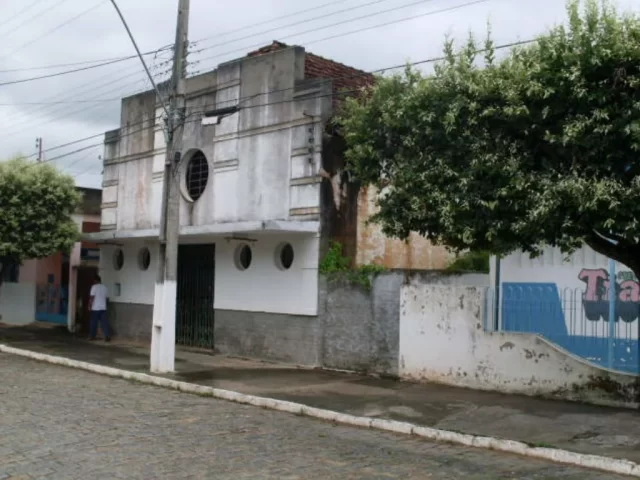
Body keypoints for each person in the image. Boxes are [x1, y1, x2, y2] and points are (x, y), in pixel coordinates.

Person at [89, 274, 110, 342]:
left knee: (94, 323)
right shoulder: (105, 287)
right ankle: (107, 336)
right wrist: (105, 305)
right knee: (105, 323)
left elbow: (92, 297)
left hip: (95, 308)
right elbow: (107, 299)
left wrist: (89, 305)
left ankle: (92, 336)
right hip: (103, 308)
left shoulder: (94, 287)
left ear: (95, 280)